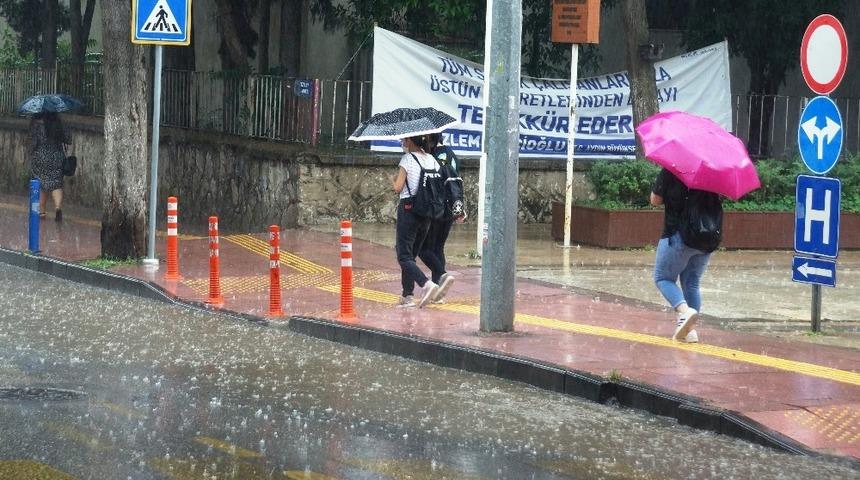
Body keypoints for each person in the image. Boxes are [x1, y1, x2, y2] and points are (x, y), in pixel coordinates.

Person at [650, 168, 714, 343]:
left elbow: (655, 200)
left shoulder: (672, 169)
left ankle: (685, 312)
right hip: (705, 237)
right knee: (691, 284)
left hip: (679, 235)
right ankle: (689, 331)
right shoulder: (710, 171)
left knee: (662, 278)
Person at [391, 135, 441, 308]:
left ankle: (425, 284)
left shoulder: (407, 159)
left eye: (404, 140)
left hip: (409, 209)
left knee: (403, 255)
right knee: (411, 255)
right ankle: (407, 295)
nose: (403, 143)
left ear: (411, 141)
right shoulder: (432, 159)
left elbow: (398, 187)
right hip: (427, 211)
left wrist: (392, 180)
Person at [418, 133, 465, 303]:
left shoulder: (431, 156)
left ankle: (442, 276)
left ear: (430, 138)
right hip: (450, 208)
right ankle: (438, 292)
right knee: (438, 248)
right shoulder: (451, 154)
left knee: (423, 248)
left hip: (436, 207)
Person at [29, 112, 69, 221]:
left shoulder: (36, 124)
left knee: (41, 183)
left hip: (40, 157)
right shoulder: (59, 123)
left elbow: (33, 142)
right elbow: (68, 139)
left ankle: (42, 211)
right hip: (56, 156)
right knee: (56, 183)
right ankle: (58, 207)